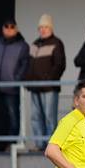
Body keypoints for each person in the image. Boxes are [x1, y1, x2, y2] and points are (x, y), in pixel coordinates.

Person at [25, 14, 65, 149]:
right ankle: (39, 144)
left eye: (46, 27)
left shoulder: (56, 43)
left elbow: (59, 65)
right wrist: (28, 81)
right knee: (35, 117)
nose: (43, 29)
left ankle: (51, 147)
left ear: (51, 28)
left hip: (49, 88)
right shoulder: (34, 44)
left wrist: (49, 79)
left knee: (49, 118)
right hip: (34, 87)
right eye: (40, 27)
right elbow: (29, 65)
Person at [0, 19, 29, 141]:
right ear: (2, 28)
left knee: (13, 116)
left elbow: (25, 66)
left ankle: (12, 144)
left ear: (16, 29)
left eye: (12, 26)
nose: (9, 29)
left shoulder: (22, 45)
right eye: (6, 26)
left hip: (11, 88)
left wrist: (16, 80)